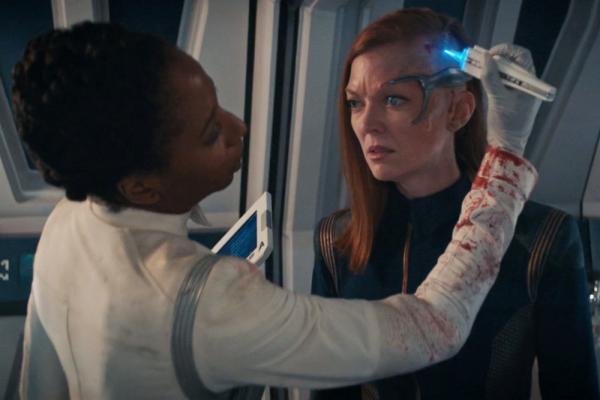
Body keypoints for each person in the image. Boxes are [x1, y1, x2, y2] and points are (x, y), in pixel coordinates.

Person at [13, 21, 537, 399]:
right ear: (142, 187)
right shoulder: (218, 303)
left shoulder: (67, 221)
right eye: (211, 133)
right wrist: (508, 152)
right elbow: (433, 328)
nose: (239, 128)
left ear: (459, 110)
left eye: (395, 99)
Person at [311, 8, 598, 400]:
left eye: (394, 99)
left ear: (459, 111)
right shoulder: (337, 241)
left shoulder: (541, 240)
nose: (366, 123)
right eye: (355, 103)